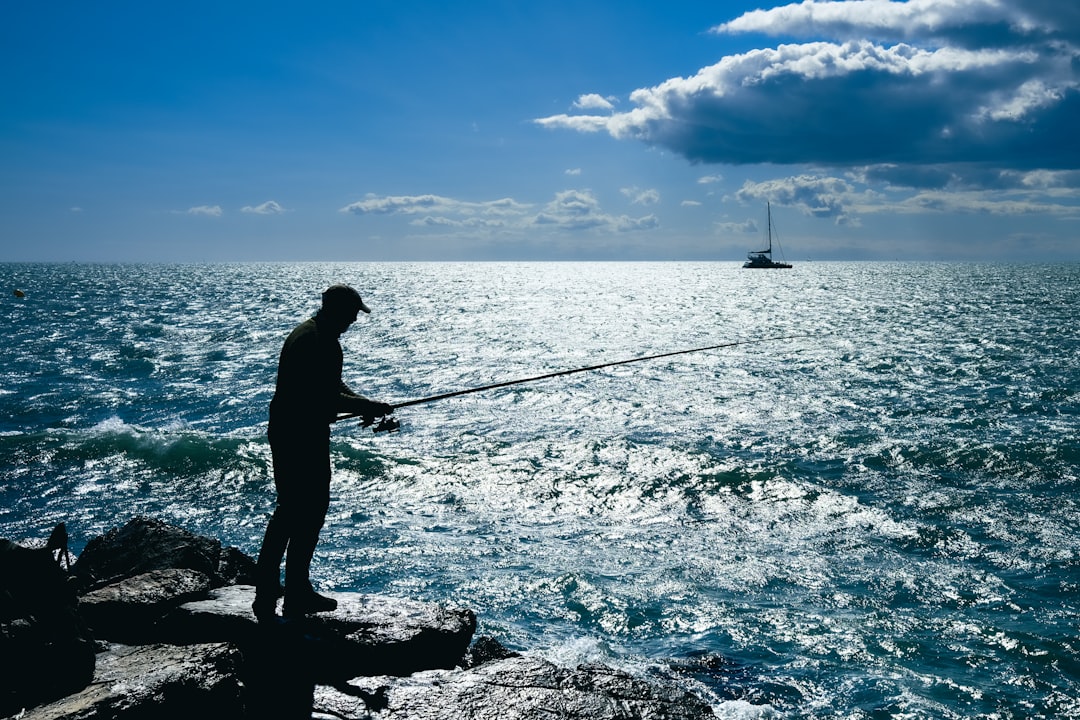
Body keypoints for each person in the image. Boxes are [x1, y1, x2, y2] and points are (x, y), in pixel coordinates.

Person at [252, 284, 393, 621]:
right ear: (336, 310)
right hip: (298, 435)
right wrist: (366, 405)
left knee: (296, 511)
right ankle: (287, 590)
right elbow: (323, 395)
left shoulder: (318, 336)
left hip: (298, 431)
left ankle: (277, 588)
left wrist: (361, 403)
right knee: (302, 511)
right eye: (351, 314)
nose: (353, 321)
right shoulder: (313, 340)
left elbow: (333, 387)